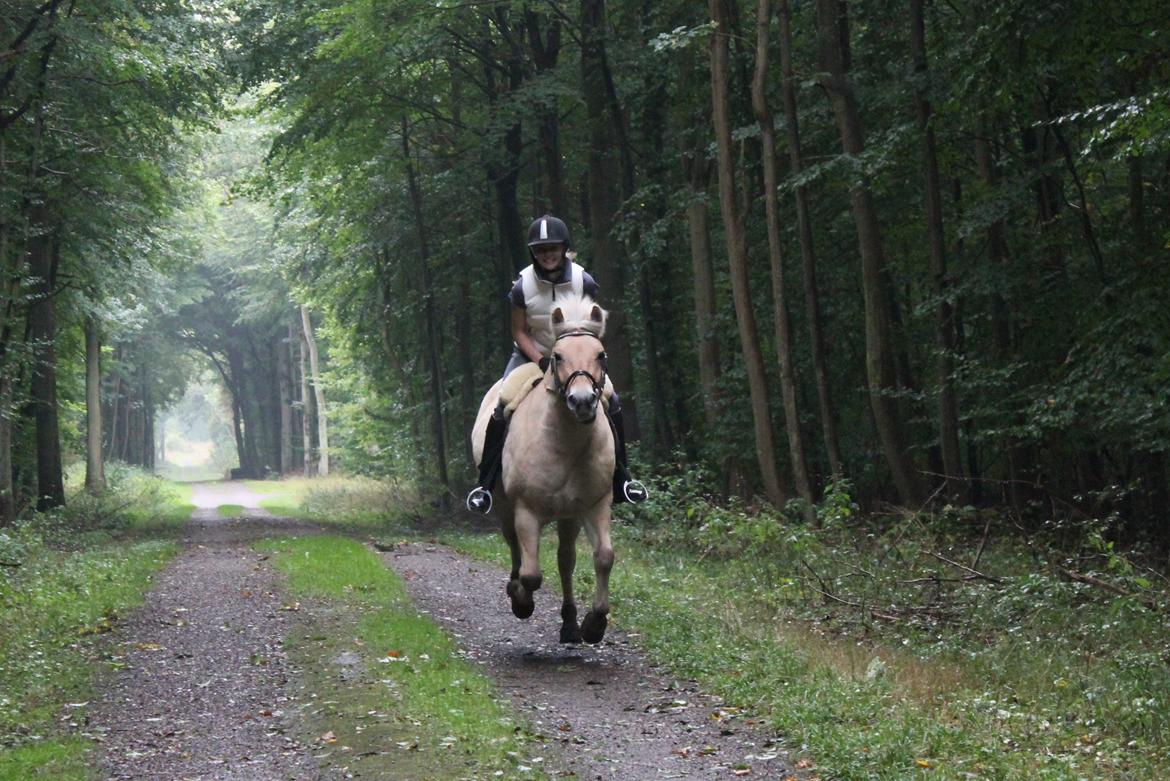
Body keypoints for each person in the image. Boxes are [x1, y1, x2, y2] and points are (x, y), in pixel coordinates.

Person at [466, 214, 648, 514]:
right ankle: (485, 485)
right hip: (532, 356)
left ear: (564, 248)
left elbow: (591, 326)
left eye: (552, 248)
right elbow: (518, 330)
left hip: (577, 361)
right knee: (502, 404)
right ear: (533, 253)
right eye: (540, 250)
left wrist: (581, 358)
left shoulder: (583, 281)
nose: (547, 254)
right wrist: (540, 359)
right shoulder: (522, 287)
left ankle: (622, 479)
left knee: (612, 401)